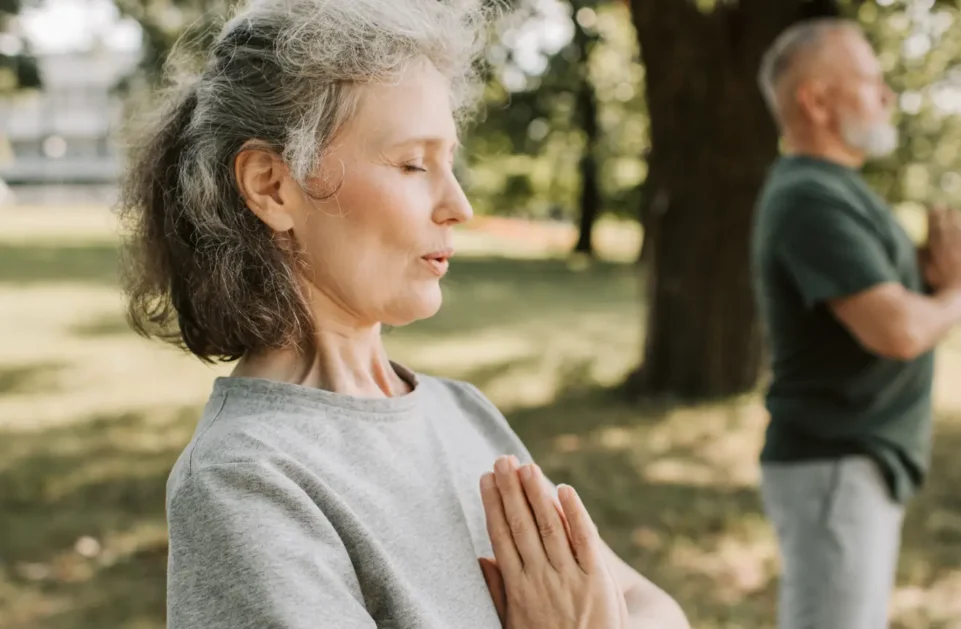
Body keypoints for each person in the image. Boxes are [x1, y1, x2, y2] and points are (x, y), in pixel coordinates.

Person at [117, 1, 689, 627]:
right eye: (414, 163)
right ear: (272, 186)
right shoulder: (244, 481)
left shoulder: (460, 412)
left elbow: (651, 606)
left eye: (450, 162)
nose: (458, 205)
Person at [751, 18, 961, 629]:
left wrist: (924, 279)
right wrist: (955, 294)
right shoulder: (810, 197)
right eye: (870, 82)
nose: (887, 95)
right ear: (816, 101)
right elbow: (897, 331)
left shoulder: (834, 188)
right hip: (835, 463)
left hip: (850, 462)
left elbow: (883, 303)